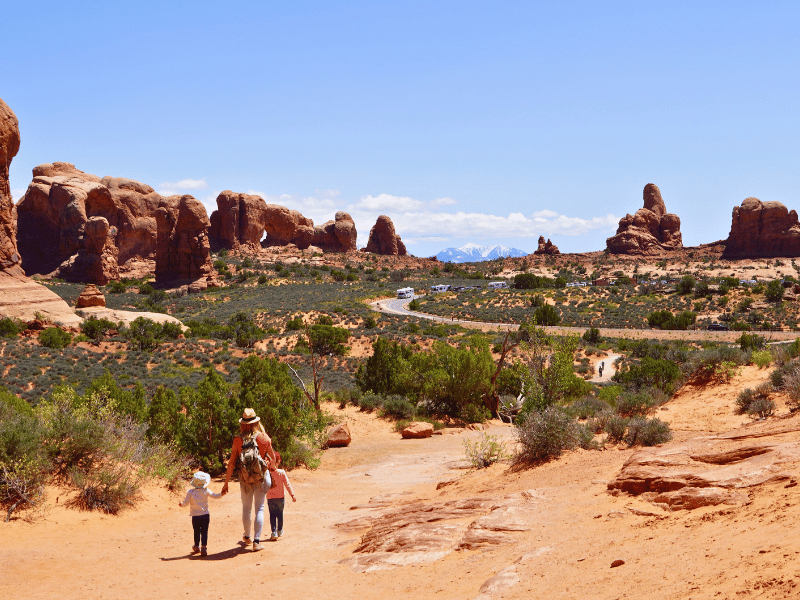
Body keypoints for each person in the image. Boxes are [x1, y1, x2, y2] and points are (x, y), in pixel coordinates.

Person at [221, 408, 277, 552]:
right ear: (256, 422)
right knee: (259, 508)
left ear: (243, 423)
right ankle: (256, 542)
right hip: (261, 478)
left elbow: (232, 463)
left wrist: (226, 483)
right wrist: (273, 469)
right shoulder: (263, 437)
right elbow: (274, 458)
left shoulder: (238, 440)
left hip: (245, 479)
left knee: (246, 508)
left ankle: (247, 536)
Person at [178, 471, 225, 557]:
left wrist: (181, 504)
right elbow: (215, 496)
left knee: (196, 531)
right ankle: (204, 547)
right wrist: (222, 493)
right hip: (205, 515)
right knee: (204, 531)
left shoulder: (190, 492)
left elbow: (185, 503)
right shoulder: (206, 490)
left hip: (195, 516)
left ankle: (196, 546)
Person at [267, 451, 296, 541]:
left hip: (270, 498)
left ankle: (274, 532)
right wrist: (292, 495)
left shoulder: (267, 473)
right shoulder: (282, 472)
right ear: (278, 461)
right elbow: (287, 484)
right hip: (280, 498)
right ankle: (280, 530)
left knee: (272, 514)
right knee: (280, 514)